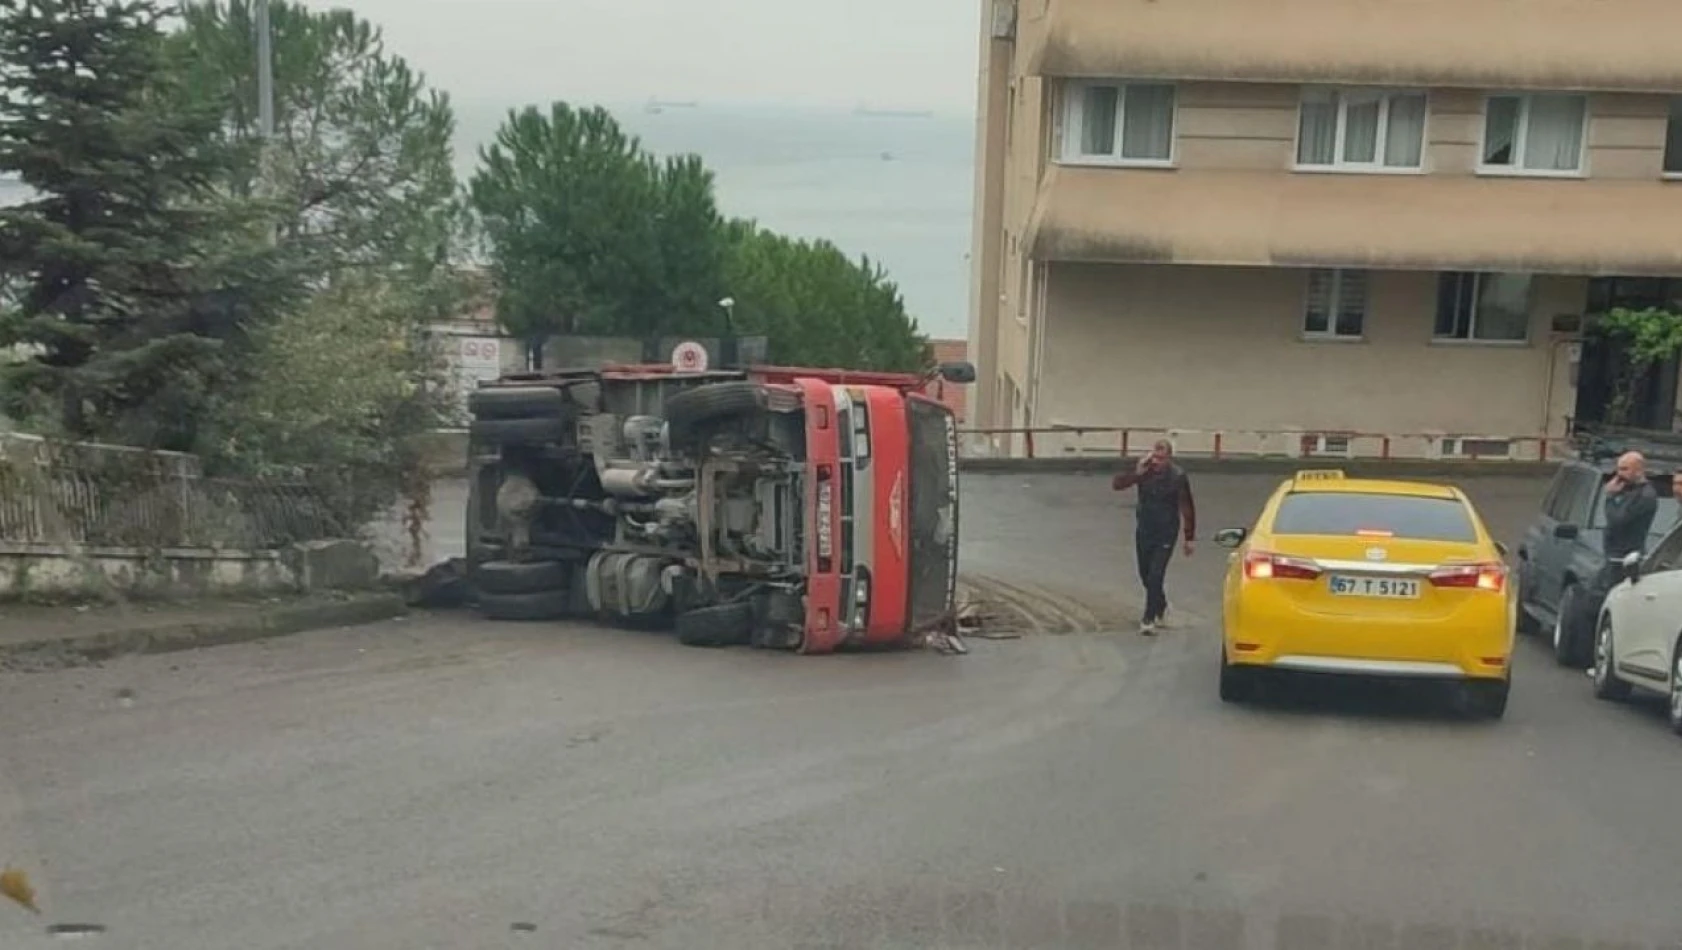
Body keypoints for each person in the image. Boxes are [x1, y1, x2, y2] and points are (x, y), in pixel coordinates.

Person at [1112, 439, 1196, 636]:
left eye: (1161, 458)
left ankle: (1148, 618)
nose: (1157, 462)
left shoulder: (1178, 476)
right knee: (1145, 574)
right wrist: (1137, 473)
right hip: (1145, 529)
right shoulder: (1144, 471)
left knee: (1156, 573)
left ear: (1169, 458)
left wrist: (1189, 537)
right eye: (1154, 457)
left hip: (1166, 531)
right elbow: (1117, 485)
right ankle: (1161, 605)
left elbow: (1187, 507)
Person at [1603, 451, 1658, 563]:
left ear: (1638, 471)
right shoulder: (1628, 490)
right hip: (1614, 554)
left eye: (1624, 469)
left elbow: (1618, 520)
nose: (1619, 474)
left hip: (1627, 558)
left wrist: (1610, 497)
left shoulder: (1645, 495)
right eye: (1618, 469)